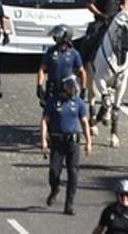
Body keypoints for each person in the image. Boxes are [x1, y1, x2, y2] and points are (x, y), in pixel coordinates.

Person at [40, 74, 91, 215]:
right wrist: (43, 140)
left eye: (75, 87)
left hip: (73, 142)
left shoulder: (79, 103)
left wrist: (88, 141)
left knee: (73, 172)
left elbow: (84, 122)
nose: (74, 90)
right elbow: (45, 120)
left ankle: (69, 204)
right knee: (54, 171)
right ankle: (54, 188)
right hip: (57, 141)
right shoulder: (53, 102)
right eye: (71, 87)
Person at [81, 0, 127, 64]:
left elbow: (126, 1)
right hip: (103, 20)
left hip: (117, 21)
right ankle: (82, 65)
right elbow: (89, 4)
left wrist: (124, 9)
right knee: (89, 39)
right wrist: (100, 14)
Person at [37, 24, 86, 102]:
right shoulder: (51, 51)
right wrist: (39, 85)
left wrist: (83, 88)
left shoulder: (74, 53)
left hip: (68, 89)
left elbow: (82, 71)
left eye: (57, 35)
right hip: (52, 89)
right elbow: (42, 69)